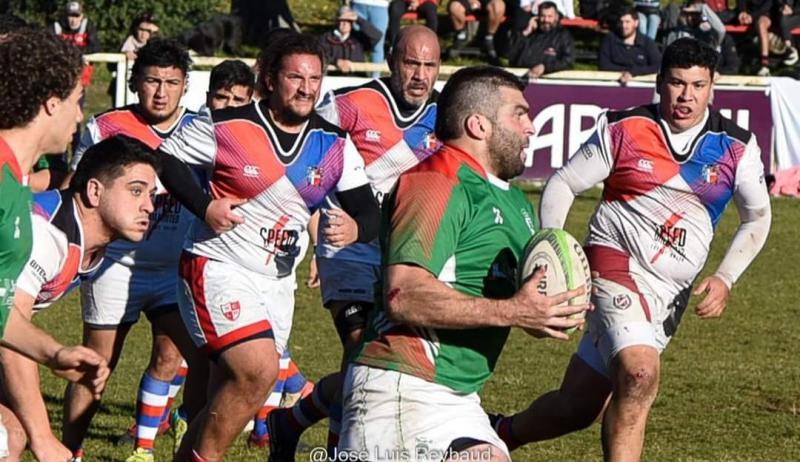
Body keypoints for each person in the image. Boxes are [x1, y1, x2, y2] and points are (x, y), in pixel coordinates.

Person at [490, 38, 772, 459]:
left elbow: (758, 217)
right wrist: (556, 252)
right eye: (677, 83)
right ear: (660, 83)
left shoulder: (736, 146)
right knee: (639, 373)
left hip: (669, 295)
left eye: (698, 85)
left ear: (713, 86)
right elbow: (564, 184)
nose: (687, 96)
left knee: (578, 406)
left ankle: (499, 432)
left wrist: (725, 277)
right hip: (612, 262)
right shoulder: (624, 127)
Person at [334, 65, 589, 461]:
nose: (531, 126)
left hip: (458, 397)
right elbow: (403, 296)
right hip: (402, 391)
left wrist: (553, 309)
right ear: (478, 124)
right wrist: (517, 310)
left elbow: (521, 308)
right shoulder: (436, 182)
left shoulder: (516, 204)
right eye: (518, 113)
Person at [154, 32, 380, 462]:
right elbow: (167, 159)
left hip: (277, 281)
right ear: (270, 79)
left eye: (315, 78)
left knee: (229, 391)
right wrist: (205, 207)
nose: (307, 87)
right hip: (217, 264)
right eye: (295, 76)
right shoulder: (230, 124)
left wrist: (355, 227)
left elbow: (368, 213)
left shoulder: (334, 144)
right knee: (257, 373)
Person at [265, 25, 440, 458]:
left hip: (407, 251)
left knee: (383, 358)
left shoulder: (446, 114)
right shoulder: (352, 104)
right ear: (391, 60)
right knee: (362, 348)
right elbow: (307, 152)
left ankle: (292, 420)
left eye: (429, 65)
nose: (420, 75)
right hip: (348, 248)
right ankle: (343, 448)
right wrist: (314, 221)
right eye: (411, 63)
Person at [61, 38, 201, 462]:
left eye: (171, 82)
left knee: (204, 360)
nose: (161, 92)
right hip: (115, 267)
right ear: (135, 81)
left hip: (175, 269)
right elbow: (78, 190)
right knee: (95, 366)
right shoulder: (106, 128)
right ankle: (70, 451)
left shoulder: (205, 130)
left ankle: (184, 434)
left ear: (185, 85)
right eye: (152, 81)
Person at [0, 136, 160, 462]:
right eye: (136, 190)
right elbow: (5, 324)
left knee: (10, 434)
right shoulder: (46, 234)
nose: (149, 206)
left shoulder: (93, 243)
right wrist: (43, 439)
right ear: (94, 191)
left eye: (151, 194)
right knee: (12, 435)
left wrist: (56, 355)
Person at [0, 27, 111, 461]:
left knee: (9, 436)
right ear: (50, 103)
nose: (79, 118)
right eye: (76, 103)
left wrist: (53, 352)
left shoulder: (16, 185)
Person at [508, 1, 575, 80]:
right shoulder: (529, 33)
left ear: (556, 17)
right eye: (543, 16)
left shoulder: (563, 36)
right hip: (522, 79)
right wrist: (526, 32)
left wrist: (545, 67)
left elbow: (568, 61)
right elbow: (511, 55)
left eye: (550, 16)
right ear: (538, 16)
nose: (546, 20)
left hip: (550, 81)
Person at [599, 6, 663, 85]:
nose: (623, 26)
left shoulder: (647, 43)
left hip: (642, 88)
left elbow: (657, 65)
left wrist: (634, 72)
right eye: (621, 22)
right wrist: (626, 72)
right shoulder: (609, 39)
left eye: (627, 22)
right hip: (612, 85)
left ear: (636, 23)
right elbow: (603, 65)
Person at [318, 6, 383, 74]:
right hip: (334, 78)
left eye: (348, 21)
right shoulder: (326, 38)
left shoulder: (358, 38)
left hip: (357, 78)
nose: (345, 23)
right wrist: (336, 61)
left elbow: (377, 36)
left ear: (352, 23)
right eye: (342, 20)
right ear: (337, 22)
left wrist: (359, 19)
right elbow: (320, 55)